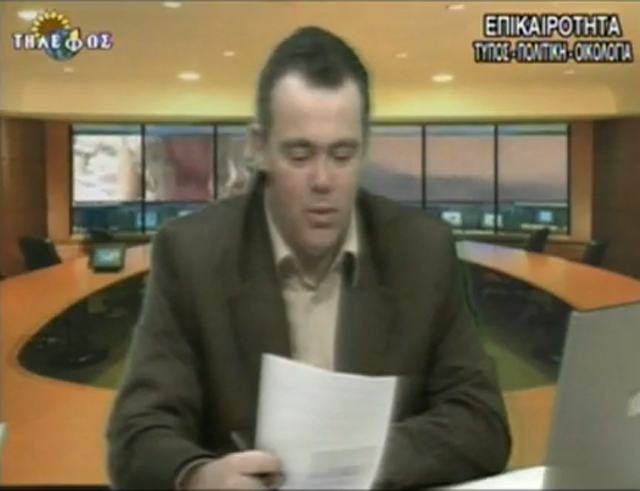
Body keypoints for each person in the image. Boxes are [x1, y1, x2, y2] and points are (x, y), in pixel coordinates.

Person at [106, 26, 511, 490]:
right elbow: (137, 435)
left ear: (364, 147)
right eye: (300, 155)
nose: (323, 180)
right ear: (259, 148)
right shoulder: (191, 254)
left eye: (342, 155)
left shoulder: (422, 252)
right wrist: (197, 476)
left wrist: (354, 460)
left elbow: (482, 422)